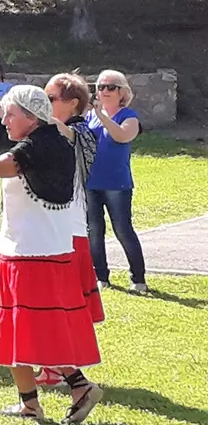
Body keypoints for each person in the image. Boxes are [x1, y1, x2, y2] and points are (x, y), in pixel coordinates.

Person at [0, 85, 103, 425]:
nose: (4, 120)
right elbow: (17, 116)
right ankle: (40, 400)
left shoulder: (34, 146)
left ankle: (74, 388)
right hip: (43, 249)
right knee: (23, 333)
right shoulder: (54, 139)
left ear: (31, 118)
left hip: (30, 255)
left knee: (26, 331)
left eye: (10, 115)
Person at [37, 73, 101, 388]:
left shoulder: (82, 131)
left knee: (64, 306)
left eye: (51, 99)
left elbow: (63, 132)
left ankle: (66, 371)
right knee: (51, 305)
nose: (46, 106)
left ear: (73, 103)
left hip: (72, 232)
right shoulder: (49, 133)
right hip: (56, 229)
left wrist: (32, 111)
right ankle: (52, 367)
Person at [85, 70, 147, 294]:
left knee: (122, 229)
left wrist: (102, 117)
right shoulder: (88, 116)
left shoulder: (128, 116)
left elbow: (121, 136)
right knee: (94, 231)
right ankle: (101, 276)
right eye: (100, 87)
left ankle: (138, 279)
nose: (103, 91)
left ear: (122, 92)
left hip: (116, 184)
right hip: (91, 182)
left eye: (110, 87)